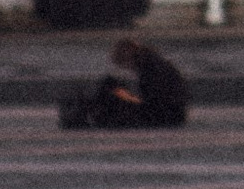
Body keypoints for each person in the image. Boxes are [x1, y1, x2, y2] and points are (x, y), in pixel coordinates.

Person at [58, 33, 189, 130]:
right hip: (164, 112)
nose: (126, 68)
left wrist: (123, 95)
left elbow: (152, 102)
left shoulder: (153, 69)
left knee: (110, 90)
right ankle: (85, 110)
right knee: (111, 85)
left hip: (164, 116)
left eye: (122, 62)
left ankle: (82, 113)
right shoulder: (152, 63)